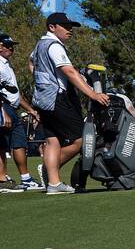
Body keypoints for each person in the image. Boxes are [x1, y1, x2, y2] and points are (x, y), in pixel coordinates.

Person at [29, 13, 110, 194]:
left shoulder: (40, 44)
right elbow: (70, 72)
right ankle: (50, 170)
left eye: (70, 26)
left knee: (53, 141)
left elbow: (31, 63)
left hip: (42, 99)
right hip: (57, 98)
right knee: (81, 139)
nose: (69, 29)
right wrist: (93, 94)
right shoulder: (55, 46)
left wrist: (43, 80)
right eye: (65, 26)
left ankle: (54, 184)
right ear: (52, 27)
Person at [0, 32, 44, 191]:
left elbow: (15, 94)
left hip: (11, 107)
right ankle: (2, 179)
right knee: (2, 144)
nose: (10, 48)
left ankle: (25, 179)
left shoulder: (6, 64)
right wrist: (2, 112)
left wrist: (30, 109)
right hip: (3, 107)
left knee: (18, 143)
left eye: (11, 45)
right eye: (6, 45)